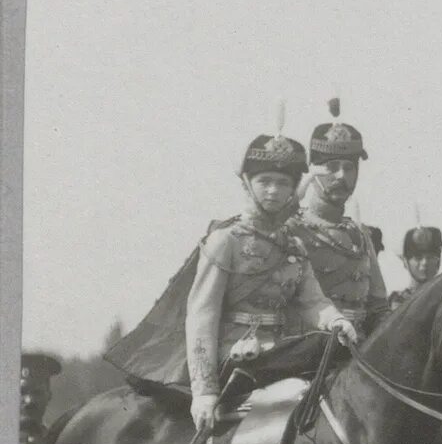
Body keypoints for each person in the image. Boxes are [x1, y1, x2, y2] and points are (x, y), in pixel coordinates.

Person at [106, 133, 363, 428]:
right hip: (235, 359)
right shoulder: (225, 241)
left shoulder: (294, 246)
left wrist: (335, 321)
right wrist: (204, 392)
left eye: (282, 183)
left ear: (293, 189)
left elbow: (314, 301)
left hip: (279, 354)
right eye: (265, 181)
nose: (273, 191)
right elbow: (202, 316)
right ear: (247, 183)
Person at [295, 105, 391, 333]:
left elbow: (378, 306)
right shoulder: (292, 228)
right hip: (307, 347)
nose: (341, 176)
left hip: (358, 347)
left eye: (349, 168)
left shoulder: (359, 234)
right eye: (332, 167)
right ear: (313, 170)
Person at [395, 225, 442, 301]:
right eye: (418, 257)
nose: (425, 262)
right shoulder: (397, 302)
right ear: (405, 261)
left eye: (431, 257)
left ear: (438, 260)